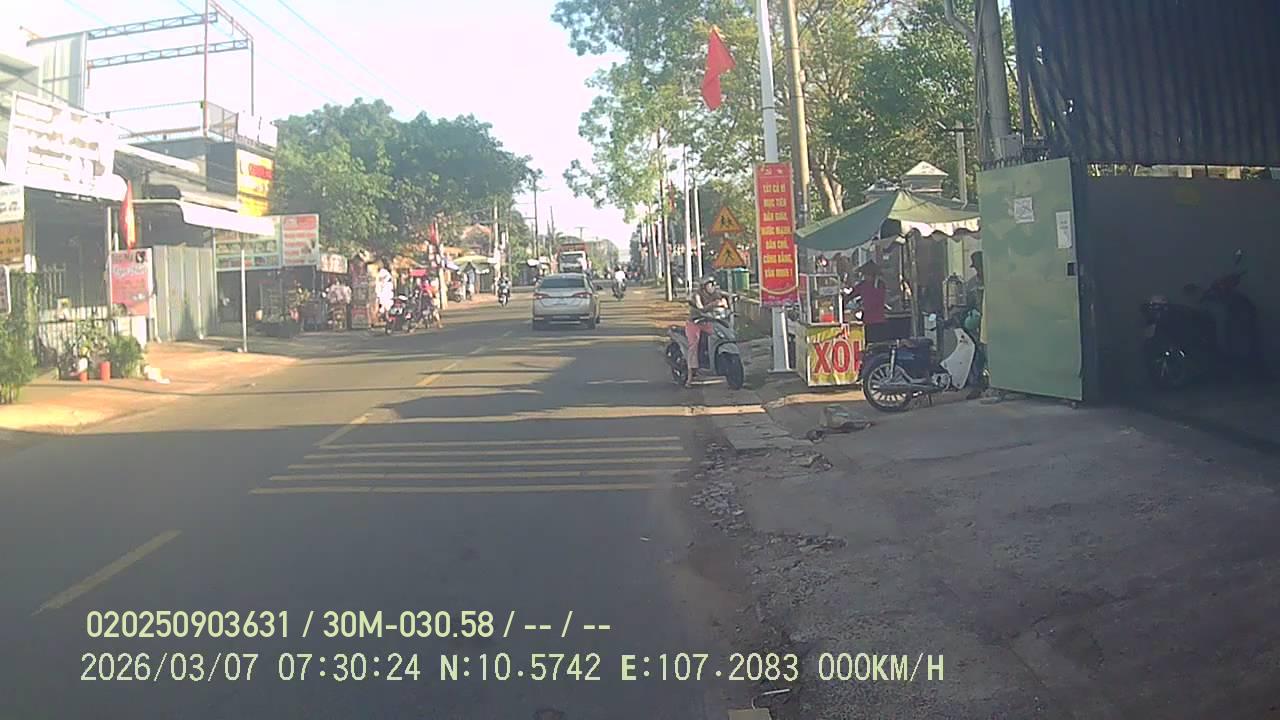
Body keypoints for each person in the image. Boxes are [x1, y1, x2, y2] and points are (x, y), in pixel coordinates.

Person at [685, 276, 729, 387]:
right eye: (710, 284)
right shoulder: (697, 295)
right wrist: (713, 304)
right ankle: (690, 377)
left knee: (720, 336)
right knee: (694, 345)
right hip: (695, 322)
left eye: (713, 284)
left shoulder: (715, 294)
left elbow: (723, 301)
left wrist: (725, 302)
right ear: (704, 287)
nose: (712, 287)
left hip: (708, 321)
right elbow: (701, 308)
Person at [964, 251, 988, 399]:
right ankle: (978, 386)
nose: (978, 270)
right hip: (980, 325)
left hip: (997, 323)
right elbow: (968, 303)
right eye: (976, 267)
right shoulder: (972, 284)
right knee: (979, 356)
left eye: (980, 266)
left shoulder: (994, 279)